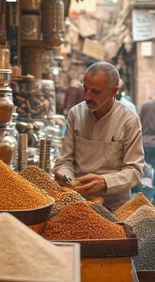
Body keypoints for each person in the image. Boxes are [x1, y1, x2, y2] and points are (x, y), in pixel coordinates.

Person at [53, 61, 145, 210]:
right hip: (76, 203)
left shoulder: (129, 120)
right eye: (85, 88)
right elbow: (64, 160)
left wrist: (105, 182)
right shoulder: (75, 114)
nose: (87, 96)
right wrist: (67, 178)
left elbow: (134, 172)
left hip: (115, 206)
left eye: (95, 92)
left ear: (114, 91)